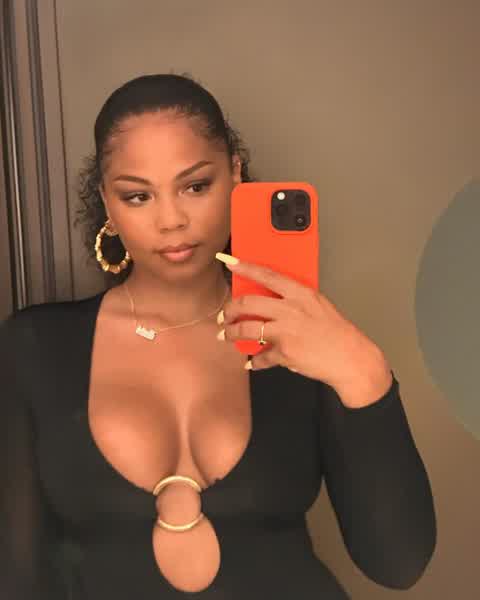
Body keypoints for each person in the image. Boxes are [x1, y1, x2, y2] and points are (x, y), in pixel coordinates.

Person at [0, 73, 436, 599]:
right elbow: (18, 577)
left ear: (234, 174)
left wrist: (363, 374)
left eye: (195, 186)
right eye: (138, 196)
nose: (171, 220)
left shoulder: (301, 339)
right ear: (107, 204)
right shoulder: (36, 348)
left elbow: (398, 563)